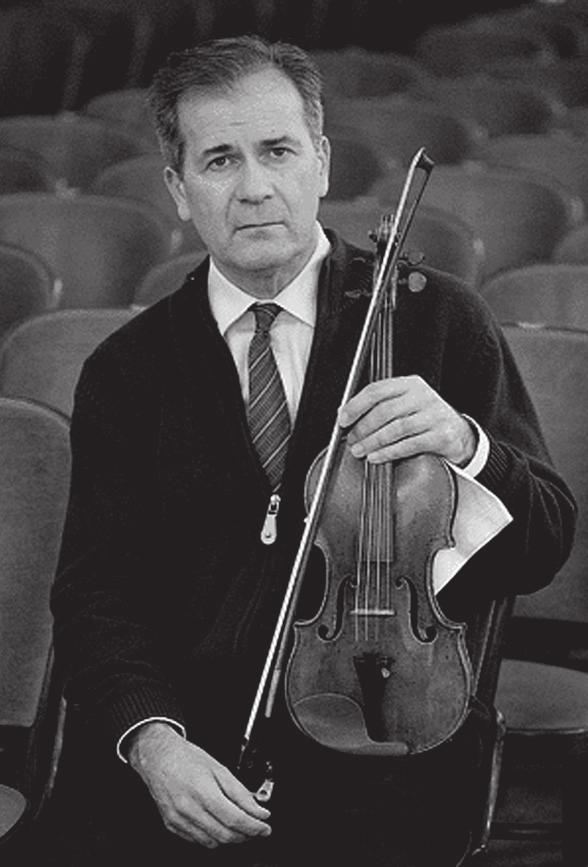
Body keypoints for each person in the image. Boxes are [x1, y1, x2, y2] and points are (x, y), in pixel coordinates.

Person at [44, 34, 576, 867]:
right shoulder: (127, 371)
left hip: (387, 742)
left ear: (321, 162)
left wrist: (468, 447)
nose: (254, 187)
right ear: (178, 190)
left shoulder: (438, 319)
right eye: (219, 161)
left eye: (277, 151)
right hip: (188, 753)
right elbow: (95, 592)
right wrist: (153, 744)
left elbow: (545, 538)